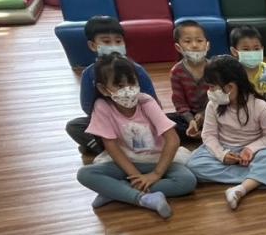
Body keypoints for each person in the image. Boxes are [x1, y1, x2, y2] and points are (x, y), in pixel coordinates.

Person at [76, 55, 196, 218]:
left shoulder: (146, 102)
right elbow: (111, 146)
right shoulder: (102, 106)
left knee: (187, 181)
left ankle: (116, 192)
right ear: (104, 89)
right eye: (119, 85)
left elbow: (173, 139)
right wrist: (136, 177)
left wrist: (156, 174)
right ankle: (143, 198)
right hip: (126, 163)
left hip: (156, 160)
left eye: (131, 83)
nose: (128, 89)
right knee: (85, 174)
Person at [186, 55, 266, 210]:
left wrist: (250, 149)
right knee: (193, 164)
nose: (209, 91)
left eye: (212, 87)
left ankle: (240, 189)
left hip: (253, 152)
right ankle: (256, 178)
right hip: (224, 148)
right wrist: (222, 154)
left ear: (230, 87)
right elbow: (208, 135)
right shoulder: (213, 105)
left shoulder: (259, 106)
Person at [66, 16, 160, 155]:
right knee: (74, 126)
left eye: (118, 41)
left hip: (137, 119)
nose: (114, 45)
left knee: (169, 122)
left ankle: (105, 148)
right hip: (108, 121)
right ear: (93, 45)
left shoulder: (136, 69)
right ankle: (106, 151)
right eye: (106, 41)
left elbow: (152, 99)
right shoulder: (90, 73)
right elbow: (87, 106)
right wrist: (109, 116)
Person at [170, 20, 210, 139]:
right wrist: (191, 120)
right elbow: (179, 102)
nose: (194, 45)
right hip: (189, 115)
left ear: (207, 45)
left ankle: (205, 134)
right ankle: (200, 133)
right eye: (187, 41)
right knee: (167, 123)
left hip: (212, 112)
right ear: (178, 47)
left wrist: (204, 113)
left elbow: (218, 96)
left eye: (199, 40)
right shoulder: (177, 71)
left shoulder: (214, 68)